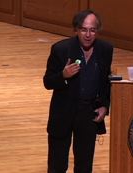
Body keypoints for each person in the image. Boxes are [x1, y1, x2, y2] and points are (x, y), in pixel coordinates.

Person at [43, 9, 113, 173]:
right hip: (63, 112)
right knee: (57, 166)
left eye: (92, 30)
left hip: (88, 114)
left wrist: (104, 106)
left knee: (84, 165)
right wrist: (63, 75)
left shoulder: (105, 49)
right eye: (83, 29)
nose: (88, 34)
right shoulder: (61, 49)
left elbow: (105, 81)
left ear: (97, 31)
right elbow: (47, 82)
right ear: (76, 30)